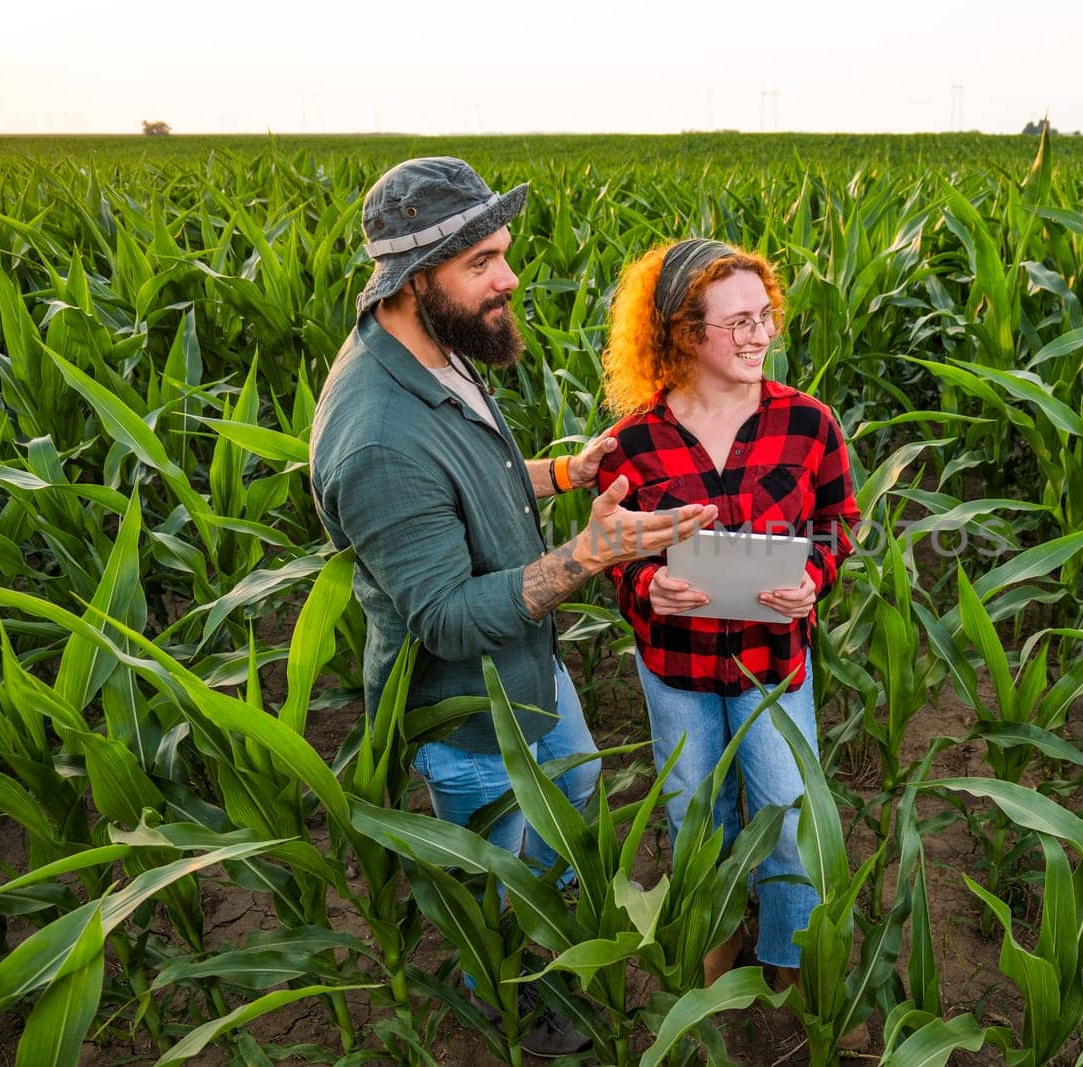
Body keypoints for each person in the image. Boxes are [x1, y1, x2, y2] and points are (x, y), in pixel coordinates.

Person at [309, 158, 716, 1056]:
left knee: (569, 816)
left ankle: (556, 958)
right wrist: (590, 552)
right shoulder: (376, 435)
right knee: (509, 911)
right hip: (474, 724)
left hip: (530, 674)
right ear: (417, 280)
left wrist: (562, 474)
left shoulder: (433, 350)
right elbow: (448, 616)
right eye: (482, 261)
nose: (510, 276)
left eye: (503, 252)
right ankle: (523, 1023)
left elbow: (469, 483)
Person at [595, 239, 860, 997]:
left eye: (765, 316)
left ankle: (786, 961)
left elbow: (839, 519)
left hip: (773, 663)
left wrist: (814, 575)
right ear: (683, 333)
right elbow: (612, 550)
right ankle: (715, 950)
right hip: (676, 667)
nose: (758, 335)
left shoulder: (808, 423)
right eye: (737, 321)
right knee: (694, 817)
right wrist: (647, 584)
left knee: (788, 815)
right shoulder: (634, 443)